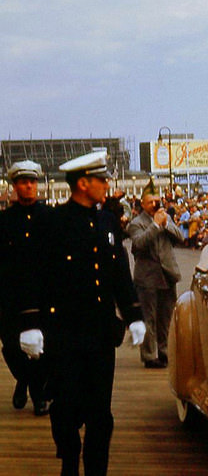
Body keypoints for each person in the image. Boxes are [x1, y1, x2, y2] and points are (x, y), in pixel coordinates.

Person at [37, 150, 146, 476]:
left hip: (100, 332)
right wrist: (32, 323)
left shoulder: (107, 221)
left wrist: (133, 314)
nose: (107, 184)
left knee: (101, 414)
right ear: (83, 183)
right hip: (65, 332)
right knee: (66, 409)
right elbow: (38, 275)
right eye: (101, 179)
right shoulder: (55, 222)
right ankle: (69, 462)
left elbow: (118, 272)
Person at [0, 160, 52, 415]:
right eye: (23, 182)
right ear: (15, 186)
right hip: (12, 298)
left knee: (42, 349)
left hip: (44, 296)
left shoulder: (50, 218)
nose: (29, 186)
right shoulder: (5, 221)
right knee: (11, 348)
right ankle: (24, 379)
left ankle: (38, 394)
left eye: (32, 181)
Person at [126, 181, 184, 369]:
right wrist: (155, 226)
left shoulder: (165, 218)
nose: (155, 205)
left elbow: (180, 238)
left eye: (157, 201)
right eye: (151, 202)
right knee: (148, 318)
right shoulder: (136, 224)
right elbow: (139, 243)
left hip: (167, 275)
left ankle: (165, 352)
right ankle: (150, 355)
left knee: (166, 318)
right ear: (142, 204)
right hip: (147, 277)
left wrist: (166, 224)